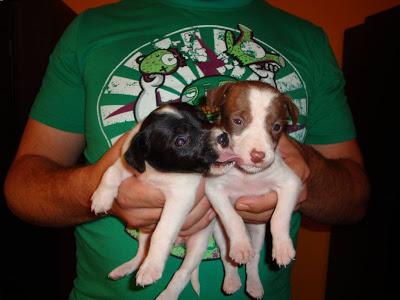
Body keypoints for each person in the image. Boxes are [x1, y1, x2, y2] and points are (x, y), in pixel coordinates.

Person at [4, 0, 369, 299]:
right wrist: (104, 188)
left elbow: (356, 199)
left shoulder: (308, 40)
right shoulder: (89, 30)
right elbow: (21, 188)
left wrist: (304, 173)